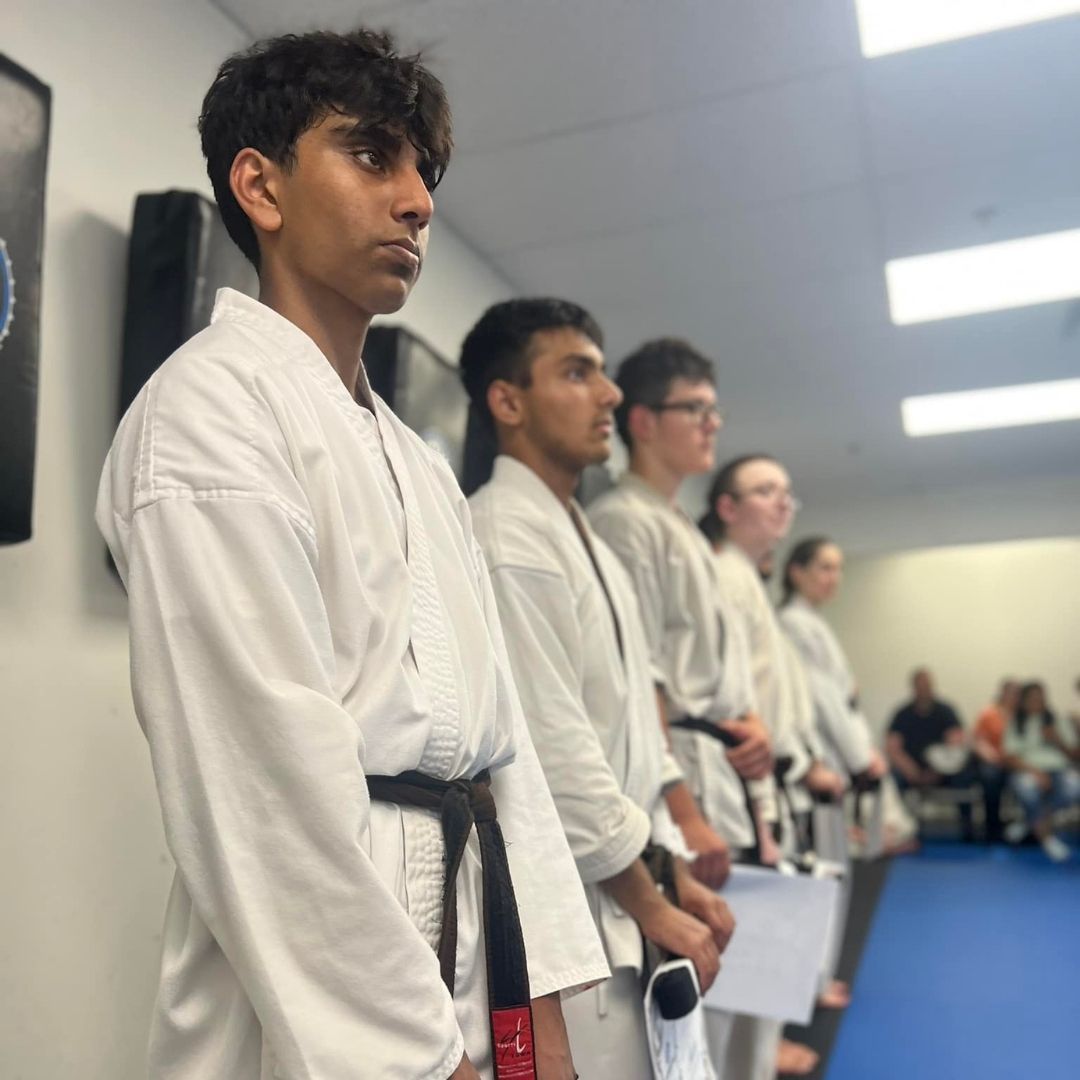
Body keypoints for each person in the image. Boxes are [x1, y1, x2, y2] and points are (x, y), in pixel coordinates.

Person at [96, 30, 608, 1080]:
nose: (418, 199)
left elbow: (507, 761)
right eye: (375, 156)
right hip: (320, 987)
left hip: (475, 921)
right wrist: (431, 1065)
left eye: (424, 170)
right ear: (261, 186)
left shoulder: (420, 465)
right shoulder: (204, 418)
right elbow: (265, 797)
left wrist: (539, 1024)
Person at [460, 298, 735, 1076]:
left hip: (626, 875)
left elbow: (632, 739)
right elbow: (553, 748)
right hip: (571, 904)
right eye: (577, 373)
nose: (610, 393)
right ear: (507, 402)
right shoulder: (505, 532)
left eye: (603, 373)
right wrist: (651, 899)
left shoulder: (583, 541)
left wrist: (670, 870)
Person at [589, 339, 818, 1080]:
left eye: (716, 410)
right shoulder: (626, 522)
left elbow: (712, 679)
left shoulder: (681, 527)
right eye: (697, 409)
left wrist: (748, 732)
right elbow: (641, 681)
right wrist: (684, 815)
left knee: (743, 998)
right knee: (703, 1008)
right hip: (679, 790)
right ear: (646, 421)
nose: (713, 424)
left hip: (720, 774)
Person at [701, 468, 850, 1013]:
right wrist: (779, 784)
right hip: (749, 775)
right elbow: (740, 702)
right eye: (765, 491)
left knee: (773, 926)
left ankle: (774, 1037)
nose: (782, 502)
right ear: (727, 507)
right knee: (748, 940)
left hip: (775, 772)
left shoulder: (748, 582)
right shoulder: (724, 574)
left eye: (787, 492)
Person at [777, 537, 917, 857]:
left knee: (850, 850)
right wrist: (862, 758)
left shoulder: (813, 621)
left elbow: (840, 697)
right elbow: (824, 699)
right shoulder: (793, 622)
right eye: (824, 568)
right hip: (822, 749)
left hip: (838, 746)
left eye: (838, 569)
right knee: (834, 854)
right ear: (796, 572)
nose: (834, 578)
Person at [887, 669, 978, 841]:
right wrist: (911, 770)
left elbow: (956, 743)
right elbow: (893, 747)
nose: (924, 689)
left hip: (942, 769)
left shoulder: (945, 711)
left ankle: (968, 830)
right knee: (893, 778)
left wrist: (938, 770)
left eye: (927, 685)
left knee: (965, 776)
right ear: (913, 687)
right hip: (911, 770)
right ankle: (901, 829)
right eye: (920, 685)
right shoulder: (902, 714)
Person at [1003, 682, 1080, 863]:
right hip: (1028, 770)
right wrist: (1036, 773)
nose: (1038, 701)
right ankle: (1048, 840)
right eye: (1033, 697)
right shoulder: (1016, 722)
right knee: (1027, 789)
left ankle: (1028, 823)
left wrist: (1057, 740)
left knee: (1075, 787)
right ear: (1024, 701)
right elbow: (1009, 756)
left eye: (1041, 697)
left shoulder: (1058, 720)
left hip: (1059, 769)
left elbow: (1075, 754)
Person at [973, 680, 1021, 843]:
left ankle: (1028, 828)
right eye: (1010, 693)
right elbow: (978, 741)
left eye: (1017, 693)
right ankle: (992, 826)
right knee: (990, 777)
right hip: (995, 762)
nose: (1013, 697)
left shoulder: (1024, 716)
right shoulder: (989, 713)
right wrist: (993, 757)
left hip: (1019, 763)